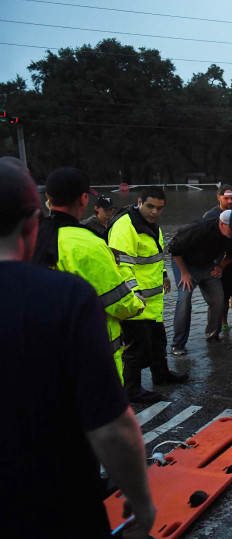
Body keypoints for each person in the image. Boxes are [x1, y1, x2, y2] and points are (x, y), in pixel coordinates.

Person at [0, 156, 156, 538]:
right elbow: (111, 428)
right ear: (31, 220)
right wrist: (140, 498)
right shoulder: (68, 289)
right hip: (56, 500)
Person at [33, 166, 145, 383]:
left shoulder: (29, 237)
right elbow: (117, 302)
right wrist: (137, 302)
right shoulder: (88, 244)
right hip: (91, 362)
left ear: (48, 197)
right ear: (84, 199)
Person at [109, 186, 189, 404]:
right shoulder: (125, 226)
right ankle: (131, 390)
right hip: (136, 300)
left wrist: (163, 273)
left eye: (160, 208)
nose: (155, 212)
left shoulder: (151, 225)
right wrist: (133, 295)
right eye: (150, 206)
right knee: (137, 348)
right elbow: (121, 266)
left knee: (157, 341)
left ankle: (161, 375)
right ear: (139, 201)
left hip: (152, 301)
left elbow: (154, 255)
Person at [168, 209, 232, 355]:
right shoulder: (198, 229)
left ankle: (212, 336)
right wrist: (184, 273)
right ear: (222, 224)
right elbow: (174, 249)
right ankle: (178, 344)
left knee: (218, 299)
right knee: (184, 299)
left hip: (208, 266)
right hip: (185, 264)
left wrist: (220, 266)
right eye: (231, 228)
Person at [203, 184, 232, 331]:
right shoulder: (210, 215)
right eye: (226, 198)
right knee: (223, 295)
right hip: (219, 261)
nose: (229, 201)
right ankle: (224, 323)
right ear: (219, 198)